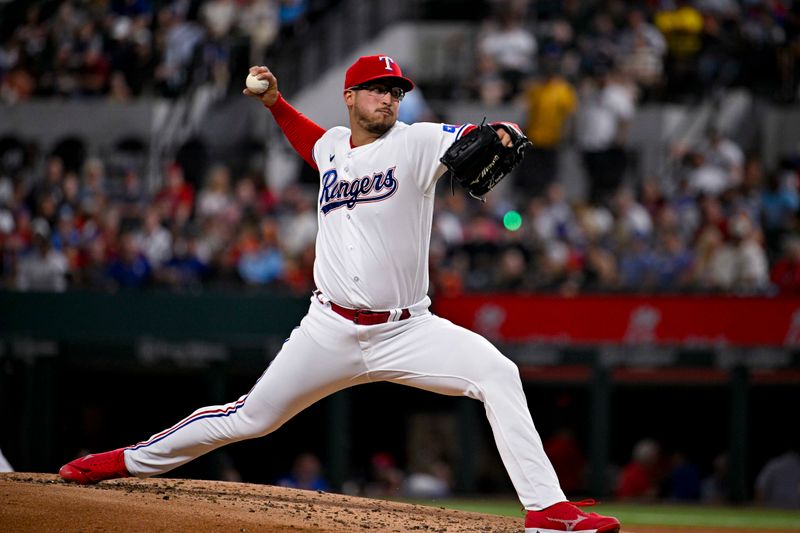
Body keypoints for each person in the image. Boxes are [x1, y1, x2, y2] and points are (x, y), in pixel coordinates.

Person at [58, 54, 620, 533]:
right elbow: (312, 142)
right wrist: (276, 104)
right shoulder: (332, 147)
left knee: (499, 373)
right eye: (378, 90)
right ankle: (124, 460)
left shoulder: (417, 142)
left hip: (407, 328)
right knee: (249, 417)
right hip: (328, 328)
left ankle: (548, 509)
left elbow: (467, 137)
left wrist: (497, 129)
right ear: (350, 96)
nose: (389, 99)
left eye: (396, 91)